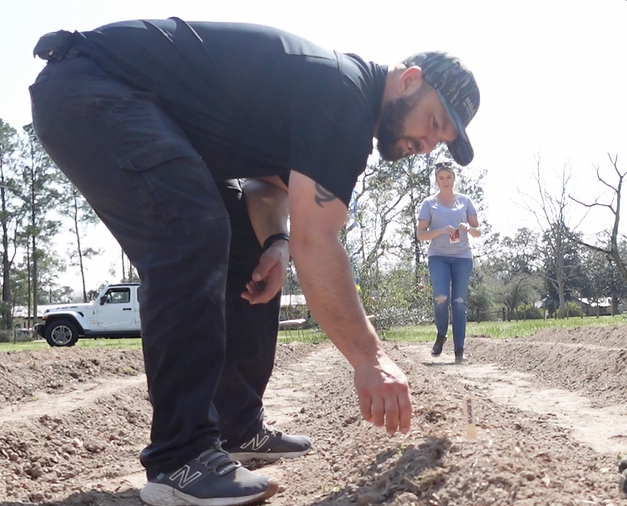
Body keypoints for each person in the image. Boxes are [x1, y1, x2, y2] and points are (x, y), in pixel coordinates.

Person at [29, 18, 480, 506]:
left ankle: (236, 427)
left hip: (143, 110)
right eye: (433, 123)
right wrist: (371, 358)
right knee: (192, 230)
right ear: (410, 79)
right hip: (92, 88)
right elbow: (320, 243)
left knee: (245, 245)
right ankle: (180, 458)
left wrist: (276, 243)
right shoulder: (344, 95)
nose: (429, 144)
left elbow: (267, 186)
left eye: (442, 141)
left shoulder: (342, 99)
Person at [417, 161, 482, 364]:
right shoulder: (429, 203)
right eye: (441, 178)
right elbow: (420, 235)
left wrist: (468, 229)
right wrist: (440, 231)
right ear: (436, 180)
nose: (445, 181)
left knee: (459, 302)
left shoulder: (465, 201)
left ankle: (459, 350)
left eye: (449, 177)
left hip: (462, 256)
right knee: (441, 298)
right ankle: (441, 334)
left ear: (454, 178)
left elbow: (478, 231)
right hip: (438, 256)